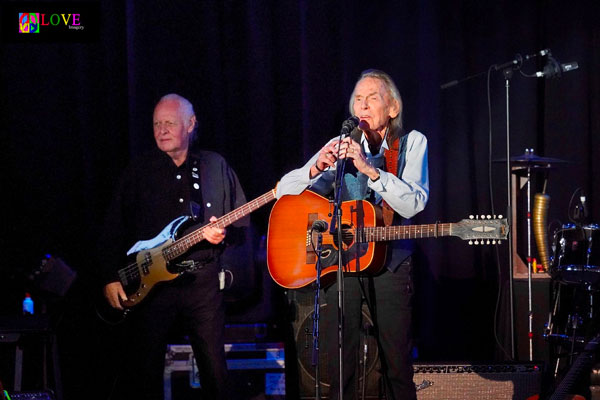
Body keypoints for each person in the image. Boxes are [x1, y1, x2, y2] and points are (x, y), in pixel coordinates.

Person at [277, 69, 429, 400]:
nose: (362, 105)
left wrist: (371, 171)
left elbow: (414, 203)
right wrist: (316, 166)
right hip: (343, 263)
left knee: (396, 366)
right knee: (338, 364)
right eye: (357, 99)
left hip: (390, 264)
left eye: (372, 98)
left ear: (392, 108)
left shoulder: (412, 142)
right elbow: (284, 192)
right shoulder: (342, 146)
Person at [98, 93, 249, 399]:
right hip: (153, 285)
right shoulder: (139, 172)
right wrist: (109, 276)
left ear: (191, 124)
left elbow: (241, 226)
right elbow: (113, 226)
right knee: (144, 370)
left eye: (169, 123)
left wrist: (223, 236)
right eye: (156, 124)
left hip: (202, 283)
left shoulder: (214, 165)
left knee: (215, 371)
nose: (161, 130)